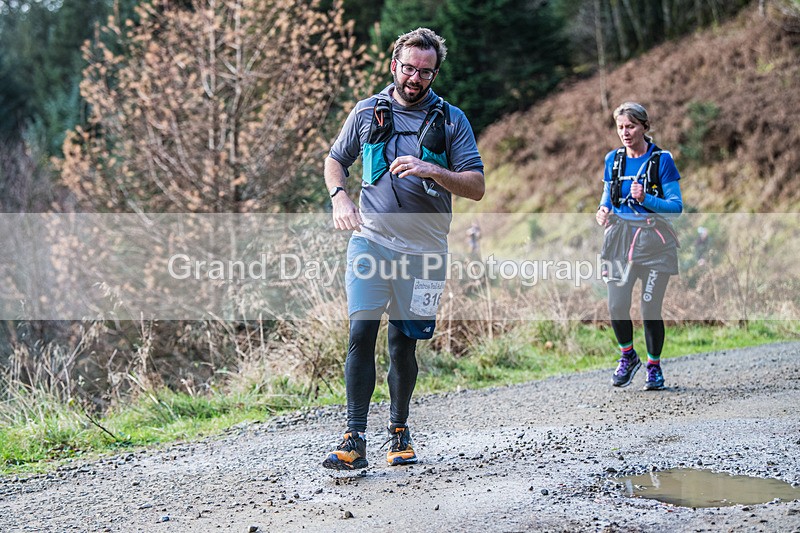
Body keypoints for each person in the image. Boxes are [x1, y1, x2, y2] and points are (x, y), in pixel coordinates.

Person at [322, 28, 484, 470]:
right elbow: (335, 160)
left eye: (425, 72)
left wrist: (431, 168)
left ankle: (398, 429)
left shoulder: (452, 120)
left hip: (425, 250)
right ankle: (354, 438)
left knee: (403, 344)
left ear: (435, 73)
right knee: (360, 333)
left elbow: (476, 187)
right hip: (370, 241)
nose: (415, 78)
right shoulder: (366, 111)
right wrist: (340, 197)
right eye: (409, 68)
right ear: (394, 64)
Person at [596, 102, 683, 391]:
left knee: (649, 308)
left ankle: (654, 367)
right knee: (616, 305)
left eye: (631, 126)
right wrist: (603, 211)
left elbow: (676, 207)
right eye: (620, 127)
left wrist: (646, 199)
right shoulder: (614, 160)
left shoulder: (662, 161)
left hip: (654, 243)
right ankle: (627, 356)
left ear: (644, 126)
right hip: (619, 240)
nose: (625, 132)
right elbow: (608, 196)